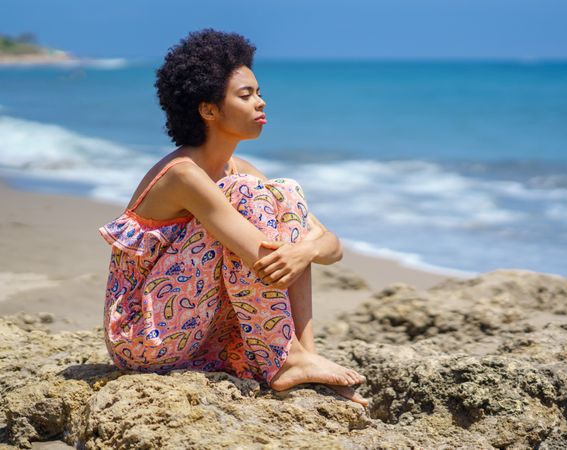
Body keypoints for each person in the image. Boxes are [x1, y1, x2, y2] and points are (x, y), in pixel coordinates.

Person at [98, 29, 367, 406]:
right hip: (146, 337)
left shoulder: (240, 168)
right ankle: (289, 358)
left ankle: (304, 354)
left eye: (258, 92)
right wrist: (300, 250)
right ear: (208, 110)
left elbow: (331, 245)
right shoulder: (183, 174)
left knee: (285, 190)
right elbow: (261, 257)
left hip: (201, 331)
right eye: (246, 95)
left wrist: (304, 251)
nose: (261, 103)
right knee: (247, 193)